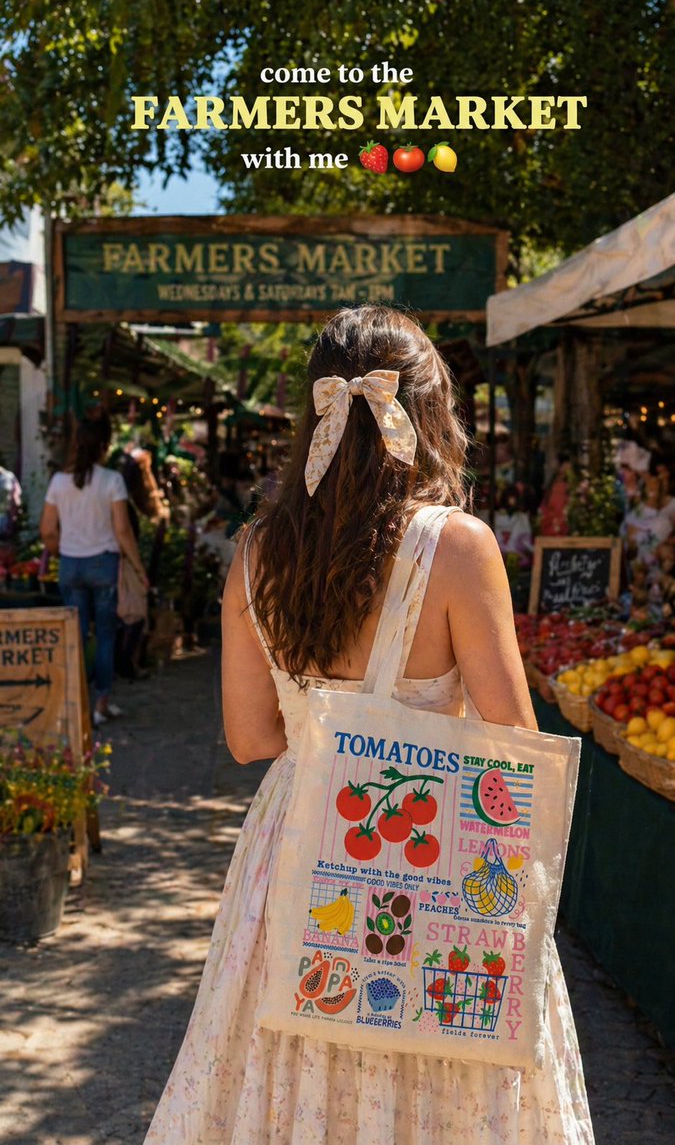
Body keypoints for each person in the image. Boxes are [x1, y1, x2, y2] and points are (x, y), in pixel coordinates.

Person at [143, 306, 593, 1144]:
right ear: (428, 416)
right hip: (437, 852)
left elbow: (250, 740)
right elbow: (513, 742)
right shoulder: (456, 547)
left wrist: (328, 715)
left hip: (300, 846)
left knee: (288, 1064)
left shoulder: (255, 552)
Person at [39, 413, 148, 727]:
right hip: (103, 564)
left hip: (71, 565)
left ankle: (75, 706)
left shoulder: (59, 482)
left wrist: (66, 550)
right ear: (104, 446)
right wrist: (139, 568)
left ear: (76, 444)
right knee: (104, 636)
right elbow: (123, 530)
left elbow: (47, 530)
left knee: (74, 637)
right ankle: (101, 704)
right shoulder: (111, 480)